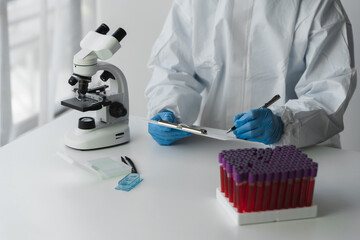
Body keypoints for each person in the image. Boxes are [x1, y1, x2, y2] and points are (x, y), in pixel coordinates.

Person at [145, 0, 357, 148]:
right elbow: (172, 71)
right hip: (213, 150)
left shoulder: (318, 4)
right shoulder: (193, 3)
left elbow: (329, 91)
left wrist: (283, 124)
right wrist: (167, 112)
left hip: (298, 154)